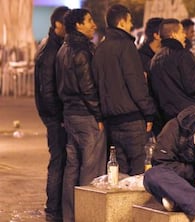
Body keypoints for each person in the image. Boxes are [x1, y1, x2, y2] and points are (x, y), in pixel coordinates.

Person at [93, 4, 156, 175]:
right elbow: (136, 83)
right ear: (121, 22)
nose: (131, 25)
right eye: (129, 21)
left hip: (111, 120)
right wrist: (148, 112)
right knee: (138, 170)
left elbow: (97, 86)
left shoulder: (100, 49)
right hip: (132, 118)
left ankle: (120, 203)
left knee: (119, 170)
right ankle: (135, 203)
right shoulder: (126, 46)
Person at [56, 9, 105, 222]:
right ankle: (87, 216)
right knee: (91, 168)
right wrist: (99, 115)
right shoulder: (82, 51)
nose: (93, 25)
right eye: (89, 21)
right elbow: (88, 87)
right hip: (86, 115)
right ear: (78, 25)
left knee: (72, 168)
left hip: (70, 115)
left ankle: (70, 216)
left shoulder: (63, 49)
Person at [34, 6, 69, 221]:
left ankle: (56, 208)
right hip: (56, 118)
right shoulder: (50, 51)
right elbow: (47, 91)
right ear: (58, 25)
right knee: (58, 161)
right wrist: (58, 117)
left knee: (61, 160)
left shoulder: (55, 46)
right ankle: (53, 210)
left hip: (56, 117)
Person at [150, 18, 195, 122]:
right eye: (181, 32)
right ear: (173, 35)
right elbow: (193, 86)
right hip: (192, 115)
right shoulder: (183, 55)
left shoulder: (155, 59)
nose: (184, 35)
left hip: (169, 117)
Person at [137, 17, 164, 136]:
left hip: (163, 110)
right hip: (150, 113)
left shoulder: (164, 55)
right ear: (156, 35)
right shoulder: (140, 57)